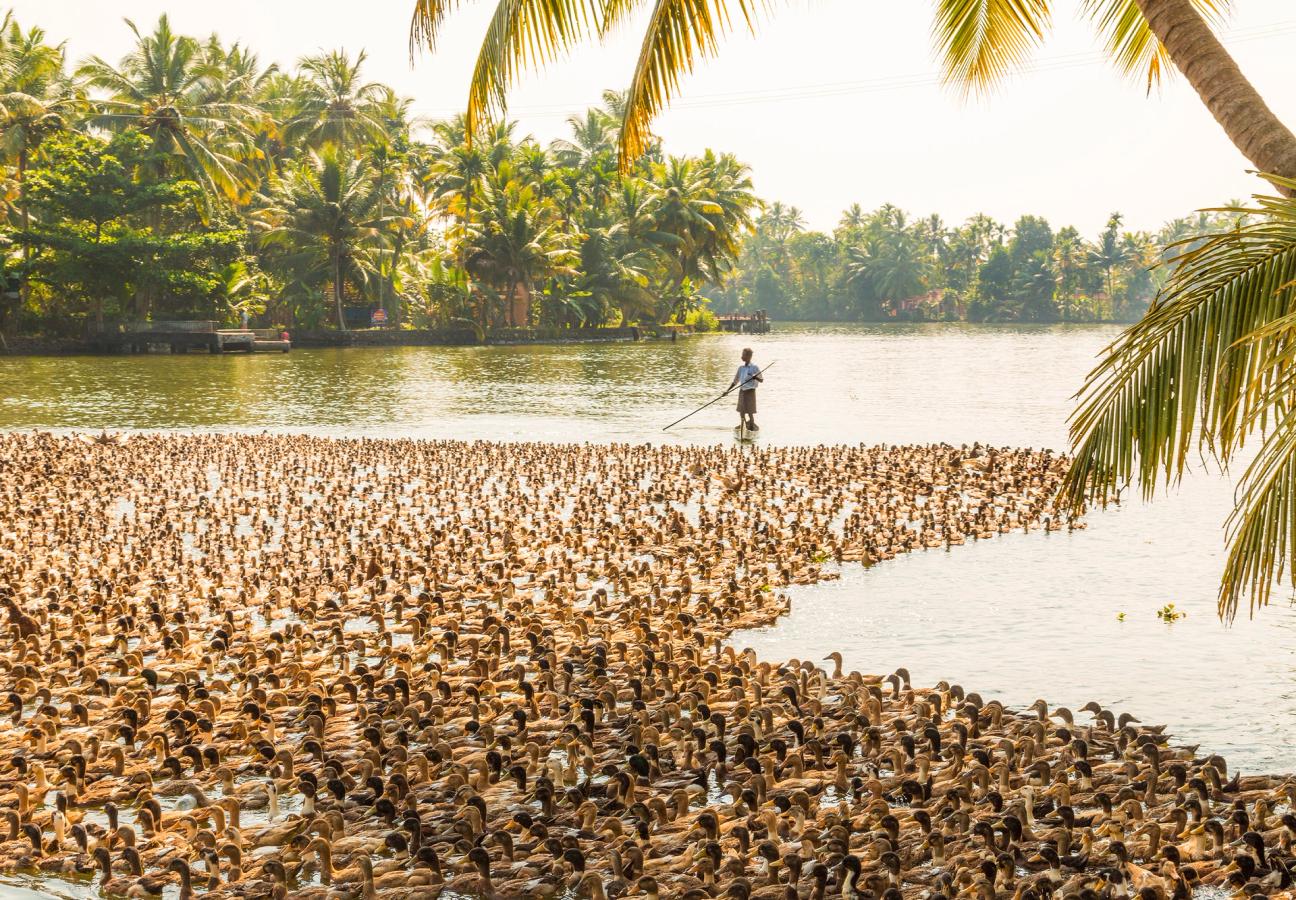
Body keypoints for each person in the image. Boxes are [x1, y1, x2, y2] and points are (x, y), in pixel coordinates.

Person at [730, 347, 763, 432]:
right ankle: (743, 424)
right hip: (742, 391)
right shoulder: (741, 368)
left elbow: (761, 380)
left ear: (748, 357)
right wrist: (727, 391)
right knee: (741, 411)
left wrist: (755, 377)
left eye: (743, 355)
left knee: (750, 412)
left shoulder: (754, 367)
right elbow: (735, 381)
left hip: (750, 392)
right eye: (742, 355)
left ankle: (751, 426)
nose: (741, 356)